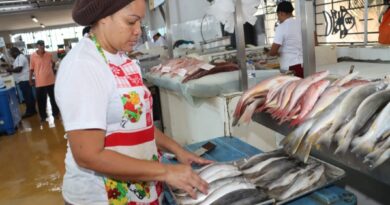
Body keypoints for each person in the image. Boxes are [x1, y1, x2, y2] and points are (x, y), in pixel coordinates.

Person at [55, 0, 211, 204]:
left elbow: (136, 123)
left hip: (141, 187)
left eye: (140, 23)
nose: (138, 31)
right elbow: (88, 155)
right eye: (131, 22)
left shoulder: (124, 60)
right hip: (100, 196)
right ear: (103, 18)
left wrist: (177, 150)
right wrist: (165, 171)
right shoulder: (83, 66)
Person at [267, 1, 303, 78]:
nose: (278, 18)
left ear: (281, 13)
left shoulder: (281, 27)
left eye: (278, 16)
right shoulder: (301, 23)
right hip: (304, 64)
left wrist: (269, 53)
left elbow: (273, 51)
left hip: (290, 67)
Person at [30, 40, 60, 123]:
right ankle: (43, 116)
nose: (42, 47)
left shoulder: (49, 54)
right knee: (41, 100)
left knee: (53, 98)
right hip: (40, 82)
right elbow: (31, 69)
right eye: (40, 46)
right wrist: (30, 80)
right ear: (37, 46)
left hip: (51, 81)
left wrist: (51, 70)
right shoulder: (33, 56)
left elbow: (53, 63)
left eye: (43, 45)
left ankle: (56, 113)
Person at [7, 47, 37, 118]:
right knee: (29, 96)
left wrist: (10, 70)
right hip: (23, 80)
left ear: (15, 52)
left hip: (24, 80)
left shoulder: (20, 57)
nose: (11, 55)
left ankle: (29, 111)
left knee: (27, 97)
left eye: (11, 54)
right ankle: (33, 110)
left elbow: (19, 69)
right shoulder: (18, 58)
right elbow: (17, 67)